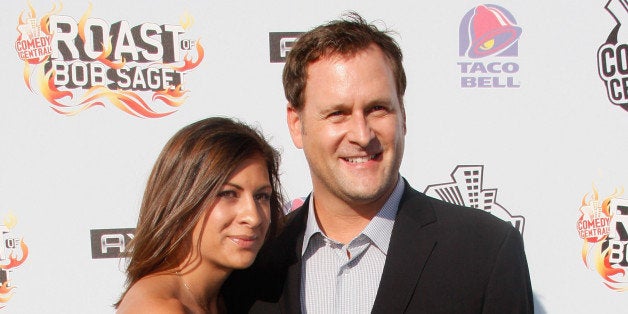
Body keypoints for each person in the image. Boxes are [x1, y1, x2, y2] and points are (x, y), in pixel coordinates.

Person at [223, 12, 533, 314]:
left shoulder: (485, 250)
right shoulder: (251, 259)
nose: (361, 134)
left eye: (378, 109)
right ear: (296, 123)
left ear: (403, 116)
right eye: (337, 113)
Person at [115, 117, 284, 314]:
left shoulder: (224, 299)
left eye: (261, 196)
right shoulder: (159, 308)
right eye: (228, 194)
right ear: (183, 198)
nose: (253, 217)